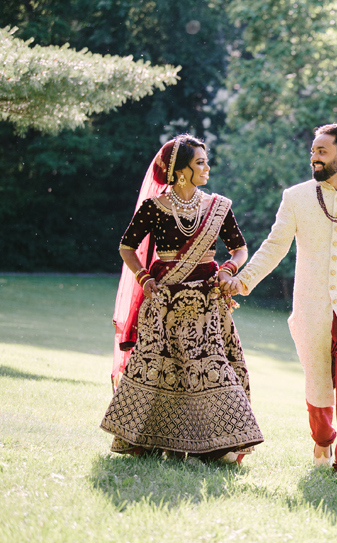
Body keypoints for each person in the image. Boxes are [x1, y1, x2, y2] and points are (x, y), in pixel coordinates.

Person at [222, 123, 337, 473]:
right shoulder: (296, 197)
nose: (314, 157)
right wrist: (242, 281)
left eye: (321, 151)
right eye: (313, 151)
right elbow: (274, 247)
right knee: (318, 385)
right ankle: (323, 439)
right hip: (310, 310)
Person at [100, 134, 264, 463]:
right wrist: (143, 277)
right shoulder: (155, 207)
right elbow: (126, 247)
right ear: (180, 170)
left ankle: (220, 446)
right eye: (200, 162)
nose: (207, 167)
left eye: (206, 161)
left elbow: (240, 248)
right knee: (164, 371)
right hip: (164, 302)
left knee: (213, 370)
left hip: (207, 302)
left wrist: (228, 269)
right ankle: (153, 440)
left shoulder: (218, 206)